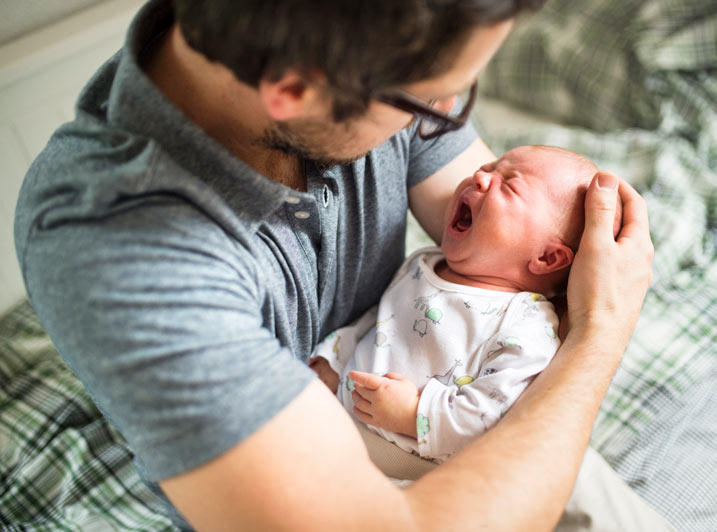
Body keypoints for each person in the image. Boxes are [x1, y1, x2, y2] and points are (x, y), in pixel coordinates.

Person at [13, 0, 654, 530]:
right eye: (431, 102)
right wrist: (601, 333)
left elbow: (512, 257)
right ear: (293, 92)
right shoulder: (122, 254)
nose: (449, 122)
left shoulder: (366, 48)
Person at [310, 145, 622, 463]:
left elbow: (489, 416)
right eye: (490, 166)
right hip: (334, 420)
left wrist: (414, 413)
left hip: (410, 462)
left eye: (511, 185)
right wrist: (335, 358)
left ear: (546, 258)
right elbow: (382, 322)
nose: (480, 177)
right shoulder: (424, 263)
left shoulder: (527, 324)